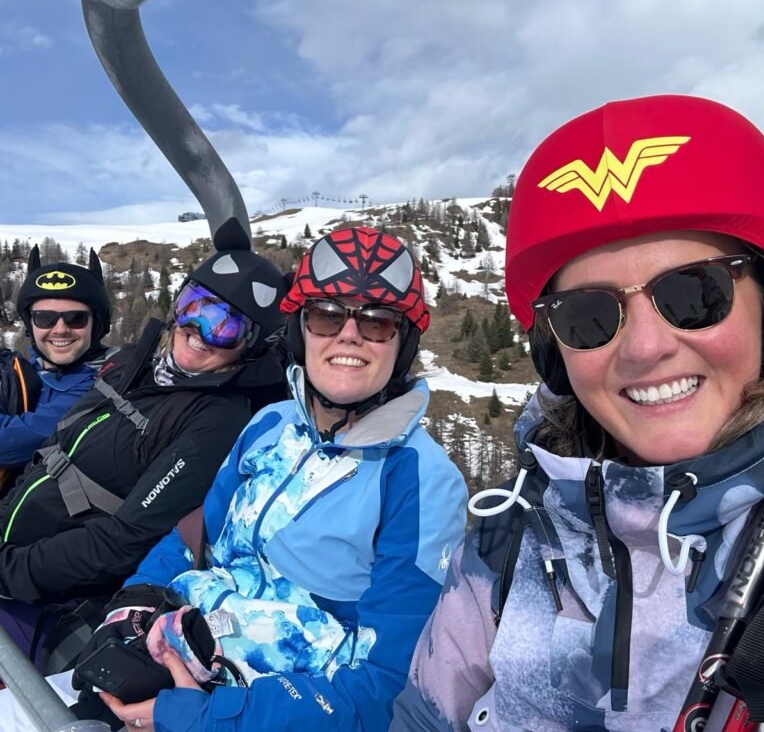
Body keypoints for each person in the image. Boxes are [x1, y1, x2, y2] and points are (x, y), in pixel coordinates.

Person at [391, 94, 764, 732]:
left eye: (695, 294)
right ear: (554, 354)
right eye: (590, 315)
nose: (644, 347)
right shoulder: (512, 532)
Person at [67, 226, 468, 732]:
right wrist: (134, 601)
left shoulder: (420, 480)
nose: (348, 335)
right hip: (181, 656)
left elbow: (388, 685)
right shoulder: (272, 426)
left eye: (377, 322)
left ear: (402, 343)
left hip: (268, 710)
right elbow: (195, 538)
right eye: (326, 315)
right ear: (301, 329)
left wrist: (205, 719)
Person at [0, 217, 289, 668]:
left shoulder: (215, 420)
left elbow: (124, 539)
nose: (198, 330)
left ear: (252, 345)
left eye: (224, 327)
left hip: (51, 595)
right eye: (194, 306)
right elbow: (50, 456)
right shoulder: (136, 363)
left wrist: (11, 570)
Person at [0, 246, 112, 479]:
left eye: (76, 318)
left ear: (97, 324)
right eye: (45, 318)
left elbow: (11, 442)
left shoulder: (105, 382)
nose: (60, 329)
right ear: (30, 324)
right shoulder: (24, 370)